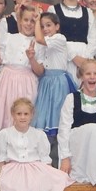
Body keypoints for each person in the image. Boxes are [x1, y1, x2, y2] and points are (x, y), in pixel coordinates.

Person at [0, 5, 44, 130]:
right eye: (26, 20)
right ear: (20, 20)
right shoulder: (9, 38)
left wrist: (32, 59)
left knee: (23, 113)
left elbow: (40, 71)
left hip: (27, 83)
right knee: (5, 112)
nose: (29, 24)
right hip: (7, 80)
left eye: (32, 21)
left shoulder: (39, 43)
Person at [32, 12, 75, 145]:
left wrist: (37, 20)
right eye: (42, 26)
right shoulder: (41, 45)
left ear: (57, 26)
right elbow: (40, 70)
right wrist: (31, 58)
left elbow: (39, 39)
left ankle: (60, 148)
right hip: (46, 82)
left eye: (48, 25)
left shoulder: (59, 38)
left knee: (58, 112)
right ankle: (45, 147)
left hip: (59, 82)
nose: (45, 29)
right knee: (42, 114)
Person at [48, 0, 96, 81]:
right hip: (62, 58)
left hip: (84, 59)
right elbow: (52, 37)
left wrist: (85, 61)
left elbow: (93, 40)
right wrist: (74, 57)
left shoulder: (88, 12)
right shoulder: (53, 10)